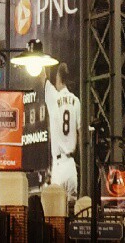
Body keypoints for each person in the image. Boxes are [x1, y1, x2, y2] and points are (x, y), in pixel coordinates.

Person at [40, 62, 81, 202]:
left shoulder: (54, 97)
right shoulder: (76, 101)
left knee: (56, 207)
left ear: (58, 78)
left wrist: (40, 61)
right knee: (73, 207)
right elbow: (80, 131)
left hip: (58, 165)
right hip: (71, 164)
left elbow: (43, 78)